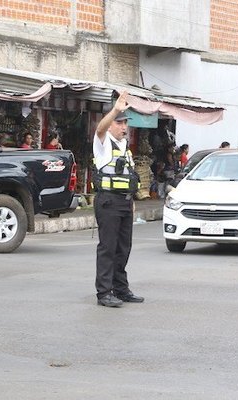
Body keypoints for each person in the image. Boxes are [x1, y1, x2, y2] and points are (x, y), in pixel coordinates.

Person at [92, 91, 144, 308]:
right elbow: (99, 129)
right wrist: (115, 109)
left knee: (124, 247)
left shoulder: (124, 146)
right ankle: (104, 293)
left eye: (125, 123)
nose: (124, 127)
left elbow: (129, 177)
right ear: (111, 124)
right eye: (120, 122)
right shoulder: (102, 143)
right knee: (108, 247)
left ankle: (121, 289)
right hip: (108, 202)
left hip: (123, 202)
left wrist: (131, 201)